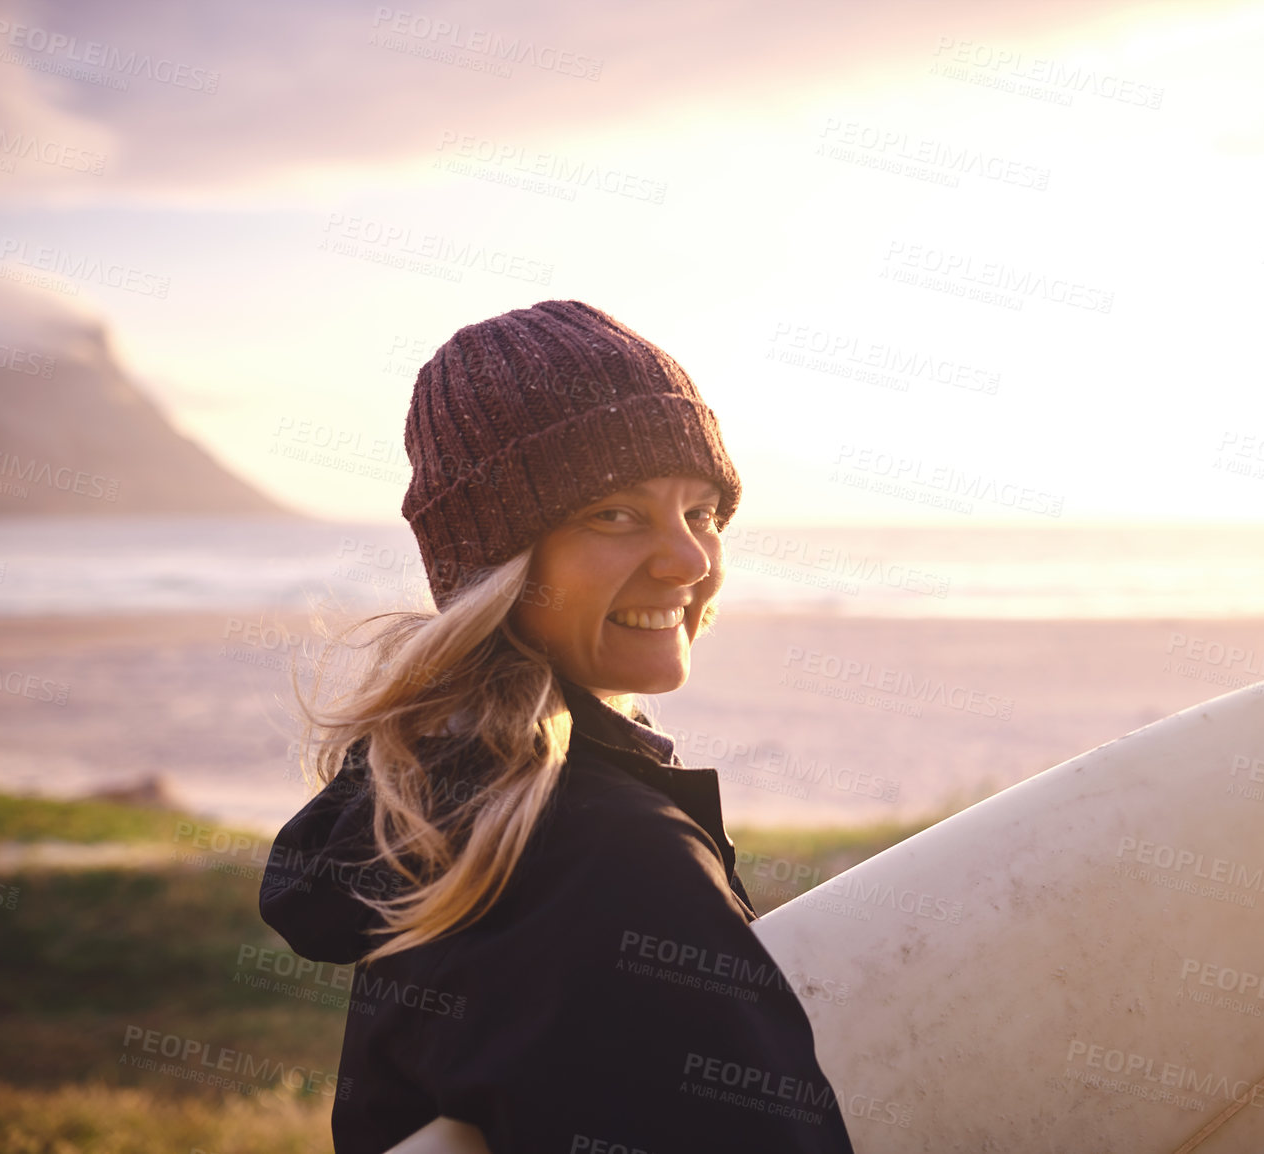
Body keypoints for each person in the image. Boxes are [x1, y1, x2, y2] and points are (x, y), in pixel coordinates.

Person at [259, 301, 857, 1154]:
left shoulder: (443, 804)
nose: (690, 561)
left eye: (703, 512)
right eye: (615, 514)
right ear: (496, 566)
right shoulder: (606, 861)